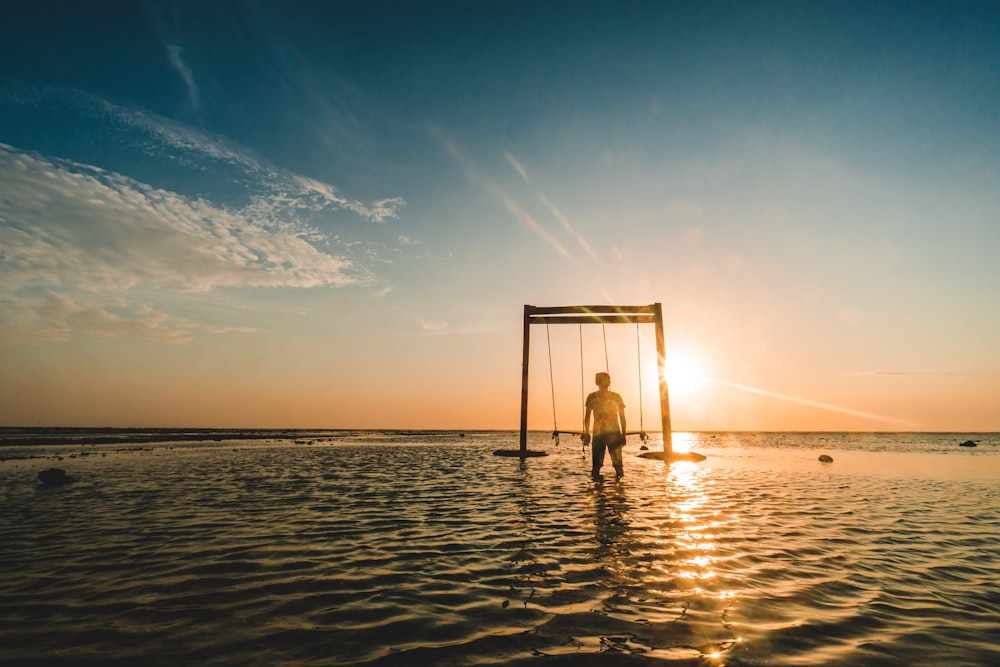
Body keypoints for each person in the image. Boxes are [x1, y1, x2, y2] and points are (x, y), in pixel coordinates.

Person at [582, 371, 626, 478]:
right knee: (596, 467)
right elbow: (587, 417)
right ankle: (597, 490)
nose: (609, 381)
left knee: (618, 466)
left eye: (609, 379)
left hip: (614, 434)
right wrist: (587, 433)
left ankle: (619, 491)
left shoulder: (616, 397)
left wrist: (623, 435)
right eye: (607, 379)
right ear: (599, 382)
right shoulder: (592, 397)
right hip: (598, 435)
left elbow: (622, 417)